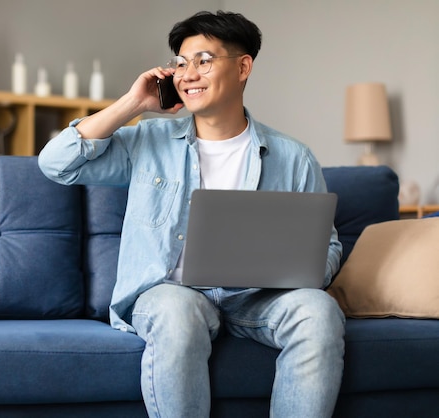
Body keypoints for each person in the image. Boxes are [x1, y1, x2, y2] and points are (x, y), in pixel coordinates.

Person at [38, 10, 345, 418]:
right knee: (178, 313)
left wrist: (302, 271)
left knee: (319, 310)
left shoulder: (294, 156)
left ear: (242, 66)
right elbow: (56, 164)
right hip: (171, 293)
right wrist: (134, 103)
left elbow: (327, 243)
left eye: (203, 60)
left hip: (256, 298)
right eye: (181, 63)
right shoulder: (148, 140)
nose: (188, 73)